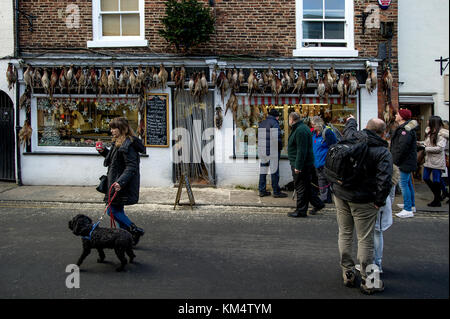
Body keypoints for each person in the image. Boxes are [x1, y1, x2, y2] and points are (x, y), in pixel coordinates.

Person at [332, 115, 392, 295]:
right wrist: (379, 201)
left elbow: (349, 127)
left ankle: (348, 271)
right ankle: (369, 281)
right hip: (364, 200)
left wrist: (350, 119)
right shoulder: (382, 152)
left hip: (341, 194)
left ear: (366, 127)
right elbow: (385, 180)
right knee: (365, 239)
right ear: (383, 133)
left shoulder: (352, 137)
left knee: (345, 233)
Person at [96, 117, 145, 245]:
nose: (111, 131)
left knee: (111, 210)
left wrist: (120, 182)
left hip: (121, 184)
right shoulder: (118, 141)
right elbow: (114, 160)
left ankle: (134, 229)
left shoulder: (128, 144)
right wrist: (103, 151)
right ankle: (125, 238)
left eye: (114, 128)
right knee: (118, 210)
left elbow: (131, 166)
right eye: (111, 128)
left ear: (122, 129)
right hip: (115, 182)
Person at [287, 112, 324, 217]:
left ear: (292, 120)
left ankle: (301, 211)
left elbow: (301, 150)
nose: (289, 122)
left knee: (300, 187)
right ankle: (318, 204)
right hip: (304, 163)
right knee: (306, 186)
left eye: (289, 119)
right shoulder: (301, 128)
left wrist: (298, 166)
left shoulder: (300, 130)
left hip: (301, 164)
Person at [390, 108, 418, 218]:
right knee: (408, 184)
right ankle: (411, 205)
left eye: (397, 114)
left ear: (402, 117)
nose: (396, 115)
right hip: (407, 161)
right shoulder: (405, 128)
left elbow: (402, 148)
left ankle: (407, 209)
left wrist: (395, 161)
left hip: (404, 162)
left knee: (403, 185)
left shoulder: (405, 130)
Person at [418, 116, 449, 207]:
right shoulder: (429, 131)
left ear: (433, 122)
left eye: (429, 120)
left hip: (437, 161)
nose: (427, 121)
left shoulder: (442, 134)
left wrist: (425, 148)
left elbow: (440, 148)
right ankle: (439, 195)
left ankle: (437, 200)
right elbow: (428, 143)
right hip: (429, 160)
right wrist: (420, 143)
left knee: (436, 181)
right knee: (426, 178)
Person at [258, 109, 287, 198]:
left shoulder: (262, 123)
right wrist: (280, 147)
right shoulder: (275, 123)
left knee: (263, 171)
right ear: (276, 116)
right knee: (274, 172)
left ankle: (262, 191)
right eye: (278, 116)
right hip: (272, 151)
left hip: (263, 151)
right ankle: (276, 192)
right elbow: (276, 139)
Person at [311, 116, 338, 204]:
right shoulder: (314, 133)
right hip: (317, 162)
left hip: (326, 162)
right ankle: (325, 198)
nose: (312, 126)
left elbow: (333, 146)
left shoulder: (327, 132)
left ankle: (335, 199)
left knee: (329, 180)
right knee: (321, 180)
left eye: (314, 124)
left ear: (318, 124)